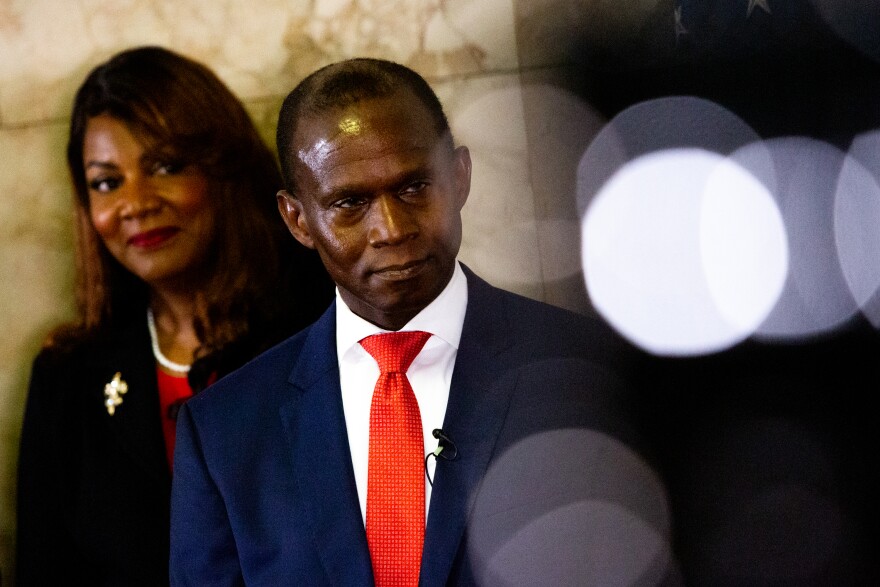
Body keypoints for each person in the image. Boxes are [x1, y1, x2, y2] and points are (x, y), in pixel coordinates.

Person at [170, 58, 676, 585]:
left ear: (459, 177)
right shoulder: (224, 434)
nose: (390, 228)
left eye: (413, 188)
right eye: (350, 202)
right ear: (298, 219)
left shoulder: (593, 370)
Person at [15, 46, 333, 586]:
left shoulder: (325, 327)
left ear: (224, 168)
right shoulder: (67, 378)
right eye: (107, 182)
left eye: (165, 166)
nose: (135, 203)